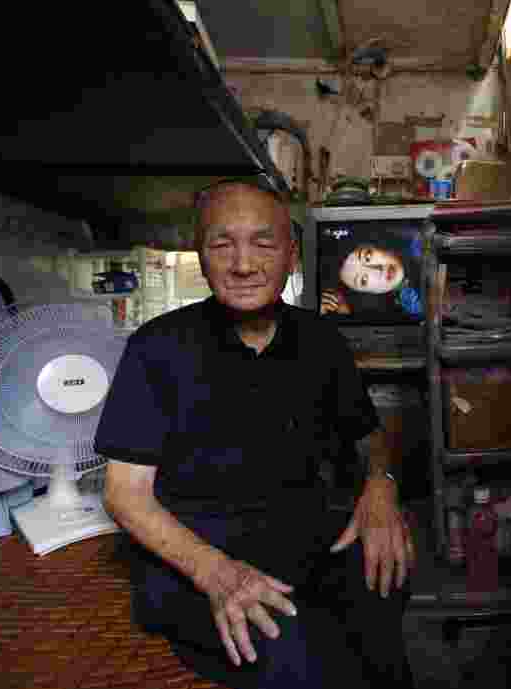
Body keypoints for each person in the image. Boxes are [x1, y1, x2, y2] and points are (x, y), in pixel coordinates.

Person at [93, 176, 416, 689]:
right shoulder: (157, 348)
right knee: (292, 652)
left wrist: (381, 487)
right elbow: (124, 495)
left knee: (379, 592)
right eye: (222, 243)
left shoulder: (319, 341)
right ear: (201, 255)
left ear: (291, 254)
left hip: (298, 542)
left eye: (263, 242)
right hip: (193, 557)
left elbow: (369, 436)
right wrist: (221, 576)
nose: (243, 264)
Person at [319, 235, 423, 318]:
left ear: (378, 246)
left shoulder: (421, 243)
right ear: (367, 294)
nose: (378, 270)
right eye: (363, 280)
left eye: (367, 257)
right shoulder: (390, 315)